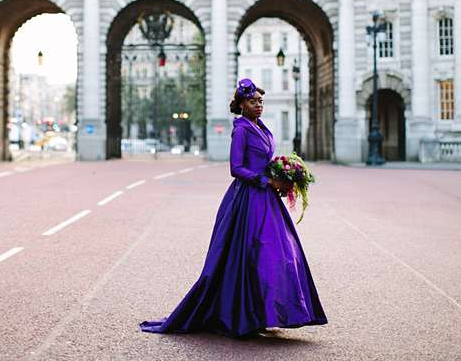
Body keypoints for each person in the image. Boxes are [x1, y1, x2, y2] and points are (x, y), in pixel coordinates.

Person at [140, 78, 327, 338]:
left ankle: (266, 312)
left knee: (278, 254)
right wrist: (266, 180)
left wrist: (281, 175)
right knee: (253, 255)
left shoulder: (258, 126)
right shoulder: (241, 129)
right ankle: (243, 315)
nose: (259, 105)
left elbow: (264, 159)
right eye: (253, 101)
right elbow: (236, 168)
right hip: (248, 199)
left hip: (266, 198)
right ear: (241, 105)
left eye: (261, 101)